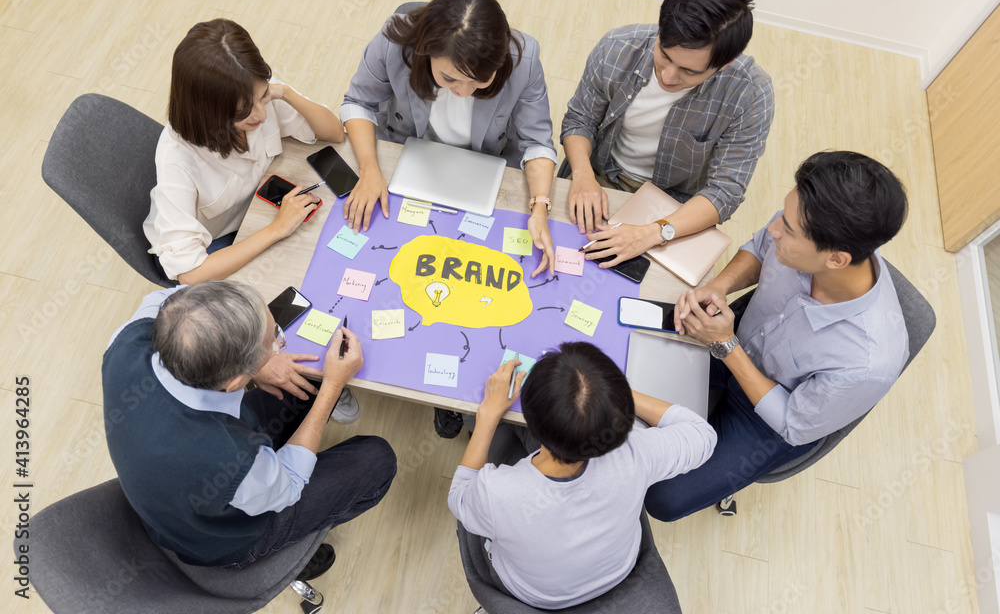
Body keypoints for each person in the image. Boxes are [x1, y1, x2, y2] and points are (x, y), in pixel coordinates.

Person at [643, 150, 909, 521]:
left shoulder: (867, 363)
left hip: (768, 414)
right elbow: (758, 248)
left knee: (662, 498)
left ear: (836, 259)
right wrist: (720, 287)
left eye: (788, 229)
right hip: (734, 336)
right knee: (629, 339)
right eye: (783, 216)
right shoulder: (800, 223)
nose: (774, 229)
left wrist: (726, 345)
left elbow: (792, 424)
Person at [103, 281, 396, 575]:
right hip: (222, 539)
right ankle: (284, 550)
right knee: (377, 459)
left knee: (304, 383)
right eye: (274, 342)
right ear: (233, 380)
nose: (278, 345)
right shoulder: (228, 456)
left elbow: (172, 297)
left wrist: (258, 362)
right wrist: (334, 385)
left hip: (175, 481)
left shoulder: (128, 340)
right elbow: (290, 484)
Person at [448, 343, 716, 609]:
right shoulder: (638, 452)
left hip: (535, 595)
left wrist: (488, 414)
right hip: (617, 571)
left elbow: (459, 496)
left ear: (531, 420)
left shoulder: (499, 493)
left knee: (501, 436)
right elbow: (702, 434)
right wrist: (611, 396)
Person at [560, 0, 774, 268]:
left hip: (674, 205)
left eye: (689, 71)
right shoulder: (617, 47)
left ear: (724, 65)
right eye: (664, 54)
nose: (668, 76)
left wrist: (655, 232)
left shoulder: (750, 94)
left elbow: (725, 191)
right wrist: (582, 175)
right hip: (596, 173)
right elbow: (580, 119)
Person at [341, 0, 558, 278]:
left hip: (484, 165)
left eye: (480, 80)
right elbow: (358, 103)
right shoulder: (393, 43)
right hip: (405, 152)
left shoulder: (524, 59)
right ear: (425, 51)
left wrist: (540, 206)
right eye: (450, 78)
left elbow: (537, 143)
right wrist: (369, 169)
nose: (463, 92)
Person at [144, 18, 345, 286]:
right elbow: (190, 274)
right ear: (209, 112)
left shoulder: (251, 92)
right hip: (212, 247)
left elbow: (334, 132)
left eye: (263, 95)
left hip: (254, 212)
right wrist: (277, 229)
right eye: (244, 112)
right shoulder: (177, 158)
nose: (262, 114)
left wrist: (283, 93)